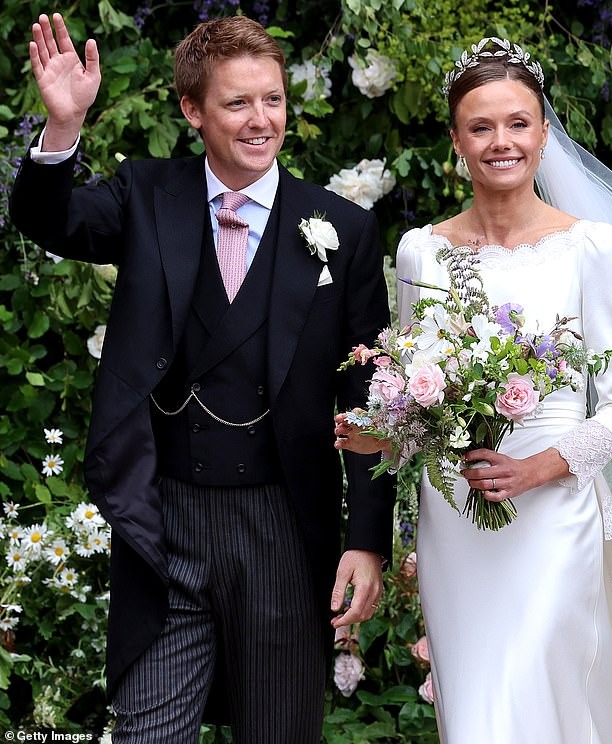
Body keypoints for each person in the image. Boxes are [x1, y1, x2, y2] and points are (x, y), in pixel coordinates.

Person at [10, 12, 396, 744]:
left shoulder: (341, 229)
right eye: (237, 103)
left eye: (274, 99)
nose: (262, 121)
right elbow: (48, 221)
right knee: (148, 734)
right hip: (167, 524)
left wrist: (367, 539)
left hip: (284, 527)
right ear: (192, 110)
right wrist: (62, 131)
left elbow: (369, 398)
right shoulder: (146, 196)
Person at [335, 37, 612, 744]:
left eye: (518, 123)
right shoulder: (419, 251)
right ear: (456, 142)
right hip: (458, 524)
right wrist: (387, 433)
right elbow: (415, 394)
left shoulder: (591, 247)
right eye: (481, 126)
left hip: (557, 519)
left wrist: (538, 468)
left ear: (542, 134)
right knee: (473, 720)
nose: (502, 142)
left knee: (534, 702)